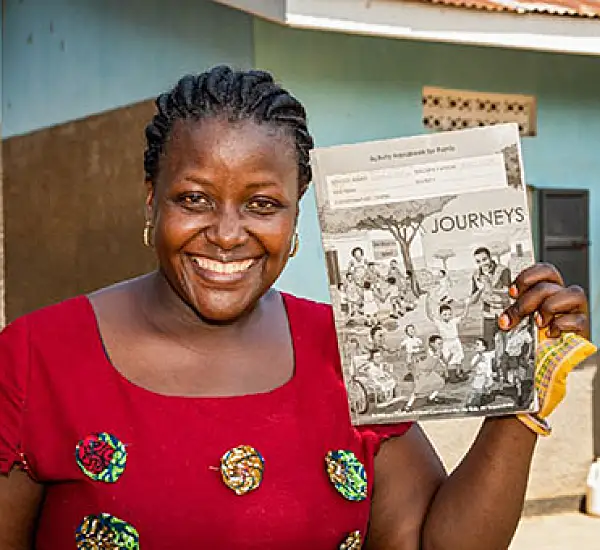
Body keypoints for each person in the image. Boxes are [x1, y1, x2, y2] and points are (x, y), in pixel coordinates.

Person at [0, 66, 593, 550]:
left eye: (261, 203)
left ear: (296, 214)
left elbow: (430, 544)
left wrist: (520, 402)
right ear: (152, 198)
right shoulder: (37, 358)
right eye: (195, 198)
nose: (228, 234)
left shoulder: (348, 349)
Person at [470, 247, 512, 346]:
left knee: (509, 344)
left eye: (484, 259)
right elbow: (473, 300)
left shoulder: (503, 270)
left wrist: (490, 288)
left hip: (504, 310)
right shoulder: (475, 275)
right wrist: (480, 290)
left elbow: (508, 291)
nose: (482, 264)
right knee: (488, 344)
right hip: (488, 313)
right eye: (478, 261)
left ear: (490, 257)